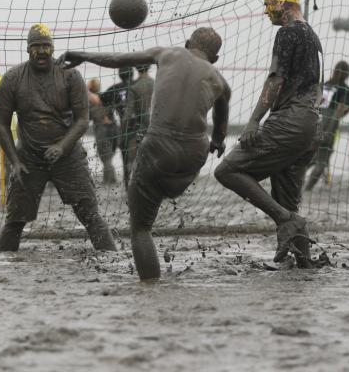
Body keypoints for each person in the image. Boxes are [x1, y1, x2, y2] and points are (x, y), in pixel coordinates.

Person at [58, 27, 231, 281]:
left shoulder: (167, 53)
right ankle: (167, 190)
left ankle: (150, 287)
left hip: (160, 147)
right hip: (195, 154)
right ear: (214, 59)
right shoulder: (221, 82)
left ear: (185, 44)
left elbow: (117, 60)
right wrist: (218, 140)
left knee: (140, 228)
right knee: (166, 187)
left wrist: (82, 55)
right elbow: (221, 117)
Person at [214, 0, 322, 268]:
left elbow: (276, 78)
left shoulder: (287, 32)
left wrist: (252, 121)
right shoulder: (311, 34)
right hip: (310, 127)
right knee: (288, 201)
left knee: (227, 170)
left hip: (290, 120)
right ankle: (304, 265)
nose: (265, 11)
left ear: (282, 2)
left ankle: (284, 220)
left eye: (268, 4)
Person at [0, 24, 116, 252]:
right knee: (14, 220)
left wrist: (62, 147)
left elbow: (82, 120)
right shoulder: (13, 78)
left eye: (45, 46)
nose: (41, 51)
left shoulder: (70, 75)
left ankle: (111, 258)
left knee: (90, 214)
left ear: (52, 48)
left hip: (68, 156)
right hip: (29, 158)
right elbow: (0, 124)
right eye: (35, 47)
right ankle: (3, 263)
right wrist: (15, 162)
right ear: (28, 49)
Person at [305, 60, 349, 191]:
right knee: (322, 159)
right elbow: (341, 112)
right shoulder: (346, 91)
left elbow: (309, 104)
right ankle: (307, 189)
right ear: (347, 75)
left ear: (335, 71)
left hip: (312, 124)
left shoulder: (322, 85)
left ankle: (298, 185)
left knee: (308, 156)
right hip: (329, 127)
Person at [120, 64, 155, 188]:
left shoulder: (134, 87)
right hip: (157, 129)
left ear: (136, 69)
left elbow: (127, 114)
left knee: (133, 162)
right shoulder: (157, 84)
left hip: (139, 129)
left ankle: (133, 190)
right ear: (149, 67)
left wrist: (122, 134)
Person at [101, 67, 134, 185]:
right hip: (143, 127)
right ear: (132, 74)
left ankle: (127, 184)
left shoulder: (114, 89)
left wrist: (107, 117)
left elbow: (101, 100)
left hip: (125, 128)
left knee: (126, 160)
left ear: (120, 75)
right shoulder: (138, 85)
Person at [88, 78, 118, 184]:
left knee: (105, 157)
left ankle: (109, 180)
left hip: (102, 129)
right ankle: (110, 179)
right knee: (109, 156)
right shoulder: (106, 97)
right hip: (114, 128)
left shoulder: (90, 101)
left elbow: (89, 117)